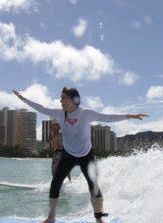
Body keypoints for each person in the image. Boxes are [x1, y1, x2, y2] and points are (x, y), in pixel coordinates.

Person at [13, 87, 148, 223]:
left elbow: (107, 117)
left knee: (93, 186)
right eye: (61, 98)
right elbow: (41, 108)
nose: (61, 101)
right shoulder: (60, 114)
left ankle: (99, 219)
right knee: (55, 183)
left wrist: (130, 116)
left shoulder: (86, 114)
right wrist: (23, 99)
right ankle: (51, 217)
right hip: (68, 154)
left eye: (64, 98)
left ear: (73, 100)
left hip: (86, 155)